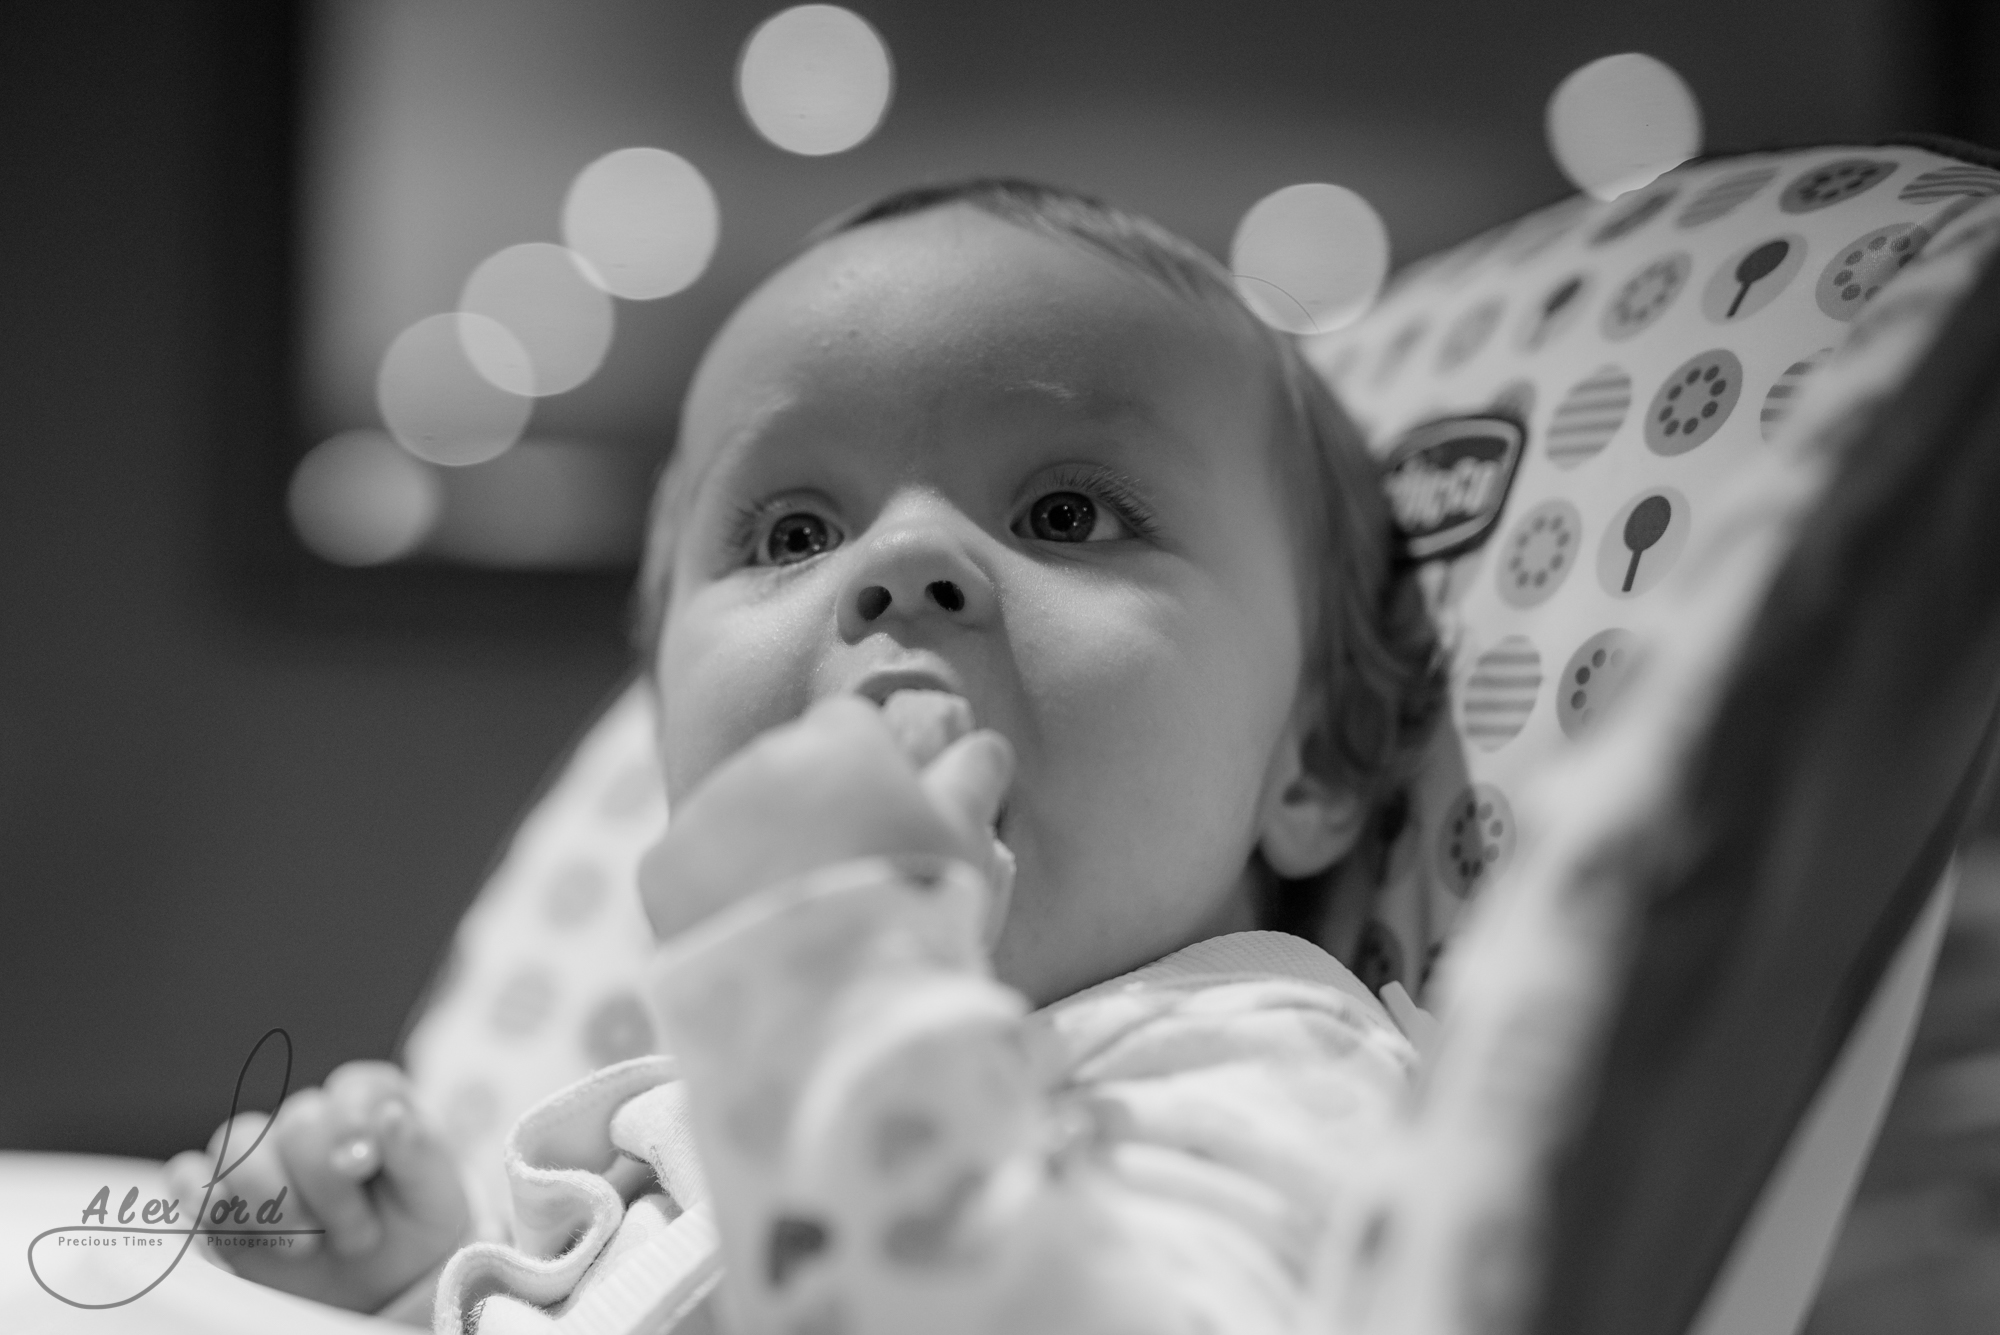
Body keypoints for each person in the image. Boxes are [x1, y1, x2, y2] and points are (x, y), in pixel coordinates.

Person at [168, 179, 1445, 1329]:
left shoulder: (1258, 1068)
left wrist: (828, 1012)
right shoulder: (673, 1117)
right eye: (788, 535)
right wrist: (406, 1285)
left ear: (1314, 759)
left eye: (1066, 514)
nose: (899, 563)